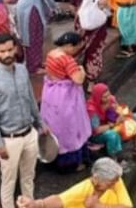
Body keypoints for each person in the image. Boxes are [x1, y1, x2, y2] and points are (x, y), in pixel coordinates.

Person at [0, 33, 48, 208]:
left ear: (16, 49)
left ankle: (30, 205)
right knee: (8, 182)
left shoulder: (22, 70)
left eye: (10, 50)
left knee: (28, 177)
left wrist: (40, 123)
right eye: (2, 51)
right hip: (8, 139)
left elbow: (31, 98)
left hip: (29, 133)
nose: (7, 54)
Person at [41, 32, 92, 172]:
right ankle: (71, 164)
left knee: (54, 126)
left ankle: (52, 157)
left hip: (51, 94)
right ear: (69, 46)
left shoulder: (51, 53)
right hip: (65, 97)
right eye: (76, 48)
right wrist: (81, 70)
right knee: (70, 129)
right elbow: (78, 80)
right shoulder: (67, 60)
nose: (77, 51)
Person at [16, 158, 132, 208]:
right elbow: (59, 199)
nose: (115, 184)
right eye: (110, 182)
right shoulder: (84, 188)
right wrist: (36, 204)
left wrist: (99, 206)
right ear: (96, 179)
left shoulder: (116, 180)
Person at [87, 83, 136, 160]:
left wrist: (120, 114)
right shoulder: (92, 109)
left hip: (114, 123)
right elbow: (96, 130)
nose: (107, 98)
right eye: (104, 97)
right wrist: (112, 125)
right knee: (112, 134)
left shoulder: (111, 100)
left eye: (108, 95)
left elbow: (120, 111)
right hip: (99, 133)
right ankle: (114, 158)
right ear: (98, 98)